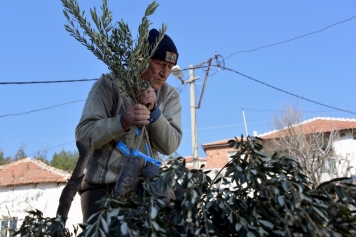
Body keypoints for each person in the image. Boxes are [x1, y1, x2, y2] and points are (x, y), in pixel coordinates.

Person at [75, 28, 182, 222]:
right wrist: (122, 122)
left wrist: (154, 112)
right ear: (141, 59)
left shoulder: (170, 95)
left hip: (146, 191)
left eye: (170, 66)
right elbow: (83, 136)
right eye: (159, 63)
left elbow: (170, 145)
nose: (165, 72)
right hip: (102, 191)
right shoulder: (108, 85)